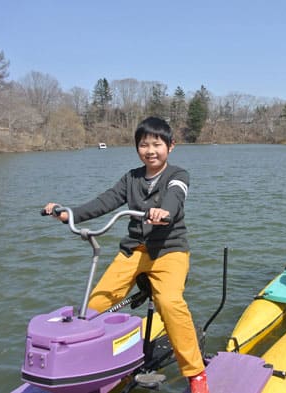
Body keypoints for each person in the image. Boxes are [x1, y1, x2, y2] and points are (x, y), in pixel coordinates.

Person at [43, 117, 209, 393]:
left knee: (169, 303)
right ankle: (95, 363)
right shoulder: (131, 178)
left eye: (157, 144)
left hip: (169, 251)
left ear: (171, 146)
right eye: (144, 145)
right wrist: (68, 213)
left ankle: (196, 374)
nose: (150, 150)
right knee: (94, 307)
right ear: (137, 148)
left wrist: (164, 212)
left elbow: (175, 199)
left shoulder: (178, 176)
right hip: (133, 251)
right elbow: (105, 201)